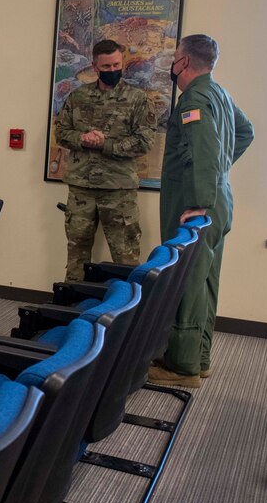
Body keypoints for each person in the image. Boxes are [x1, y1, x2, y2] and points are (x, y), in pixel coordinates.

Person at [150, 34, 253, 388]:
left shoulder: (194, 98)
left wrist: (198, 201)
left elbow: (206, 152)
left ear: (184, 61)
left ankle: (182, 366)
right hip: (217, 200)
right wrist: (220, 173)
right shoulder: (220, 93)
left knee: (189, 281)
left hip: (196, 206)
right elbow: (245, 132)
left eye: (175, 58)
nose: (172, 65)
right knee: (207, 281)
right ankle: (200, 357)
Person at [53, 39, 157, 281]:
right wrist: (83, 138)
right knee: (76, 255)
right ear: (95, 66)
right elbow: (61, 133)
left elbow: (144, 142)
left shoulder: (138, 99)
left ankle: (127, 313)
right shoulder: (78, 97)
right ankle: (73, 308)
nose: (112, 71)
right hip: (82, 188)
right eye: (106, 67)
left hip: (118, 189)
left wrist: (105, 144)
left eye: (116, 65)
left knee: (125, 258)